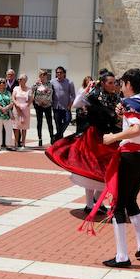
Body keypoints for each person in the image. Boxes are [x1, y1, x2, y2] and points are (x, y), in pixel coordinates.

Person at [83, 68, 140, 268]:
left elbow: (135, 129)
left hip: (130, 157)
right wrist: (123, 116)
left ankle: (122, 256)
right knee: (131, 201)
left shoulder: (129, 103)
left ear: (128, 84)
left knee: (118, 205)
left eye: (122, 83)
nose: (120, 86)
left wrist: (113, 137)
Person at [47, 70, 120, 213]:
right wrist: (88, 89)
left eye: (114, 82)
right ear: (103, 83)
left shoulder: (116, 97)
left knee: (107, 170)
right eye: (110, 83)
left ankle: (97, 200)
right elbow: (76, 103)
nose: (113, 85)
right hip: (93, 137)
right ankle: (89, 204)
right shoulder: (93, 95)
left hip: (109, 136)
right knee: (91, 169)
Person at [51, 66, 75, 142]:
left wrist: (69, 105)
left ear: (64, 73)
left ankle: (56, 136)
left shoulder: (69, 82)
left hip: (66, 107)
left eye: (60, 72)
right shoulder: (52, 82)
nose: (59, 74)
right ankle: (59, 140)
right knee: (58, 125)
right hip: (56, 107)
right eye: (57, 72)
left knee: (68, 120)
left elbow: (73, 95)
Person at [0, 79, 14, 151]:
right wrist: (2, 108)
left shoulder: (8, 92)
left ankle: (8, 145)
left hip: (7, 114)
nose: (2, 83)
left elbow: (12, 102)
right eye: (0, 82)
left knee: (9, 129)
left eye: (3, 82)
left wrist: (6, 108)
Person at [32, 70, 54, 147]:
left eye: (44, 74)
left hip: (47, 105)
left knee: (49, 122)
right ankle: (40, 139)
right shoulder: (36, 84)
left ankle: (52, 137)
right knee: (39, 122)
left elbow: (50, 93)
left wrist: (45, 101)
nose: (43, 76)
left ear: (46, 76)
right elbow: (32, 93)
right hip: (38, 105)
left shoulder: (49, 84)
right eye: (41, 74)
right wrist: (39, 102)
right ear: (39, 76)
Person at [11, 74, 33, 150]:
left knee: (24, 127)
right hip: (16, 109)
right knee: (16, 127)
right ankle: (16, 143)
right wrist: (17, 104)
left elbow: (30, 99)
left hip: (25, 109)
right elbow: (13, 98)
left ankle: (23, 143)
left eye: (21, 79)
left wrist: (26, 105)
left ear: (25, 80)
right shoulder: (16, 88)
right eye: (19, 79)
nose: (19, 80)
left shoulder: (29, 89)